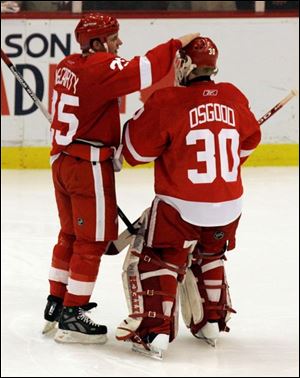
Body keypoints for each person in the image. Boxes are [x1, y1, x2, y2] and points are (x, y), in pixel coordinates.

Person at [41, 11, 199, 344]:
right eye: (114, 38)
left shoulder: (69, 65)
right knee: (92, 241)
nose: (119, 43)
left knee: (69, 233)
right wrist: (176, 44)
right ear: (97, 42)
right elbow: (146, 69)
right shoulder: (99, 67)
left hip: (63, 162)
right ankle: (73, 313)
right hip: (88, 167)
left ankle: (57, 300)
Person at [116, 36, 261, 358]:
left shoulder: (167, 100)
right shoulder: (233, 95)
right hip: (229, 204)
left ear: (184, 65)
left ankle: (153, 332)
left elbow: (135, 152)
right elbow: (248, 143)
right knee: (210, 253)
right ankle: (212, 319)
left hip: (180, 206)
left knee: (158, 258)